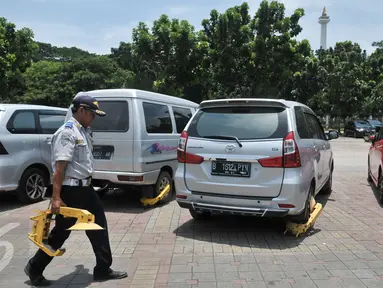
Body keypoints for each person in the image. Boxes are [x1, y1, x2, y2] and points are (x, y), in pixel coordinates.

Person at [24, 94, 128, 286]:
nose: (94, 118)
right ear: (81, 110)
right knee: (62, 232)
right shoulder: (67, 133)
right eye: (92, 114)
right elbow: (59, 169)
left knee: (99, 227)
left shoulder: (84, 131)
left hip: (86, 189)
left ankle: (103, 269)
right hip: (70, 191)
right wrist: (56, 198)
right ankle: (34, 267)